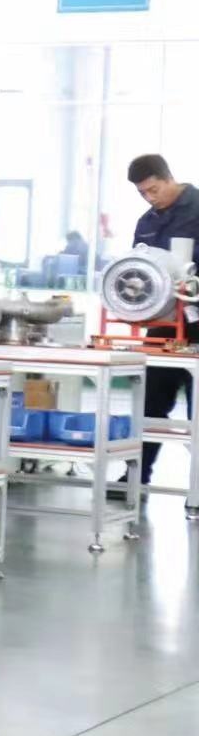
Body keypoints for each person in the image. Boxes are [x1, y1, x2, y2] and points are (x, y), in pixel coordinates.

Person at [126, 154, 199, 494]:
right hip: (163, 324)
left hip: (197, 319)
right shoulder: (146, 222)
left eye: (153, 190)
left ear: (168, 178)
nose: (150, 198)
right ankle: (136, 477)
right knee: (149, 402)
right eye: (143, 193)